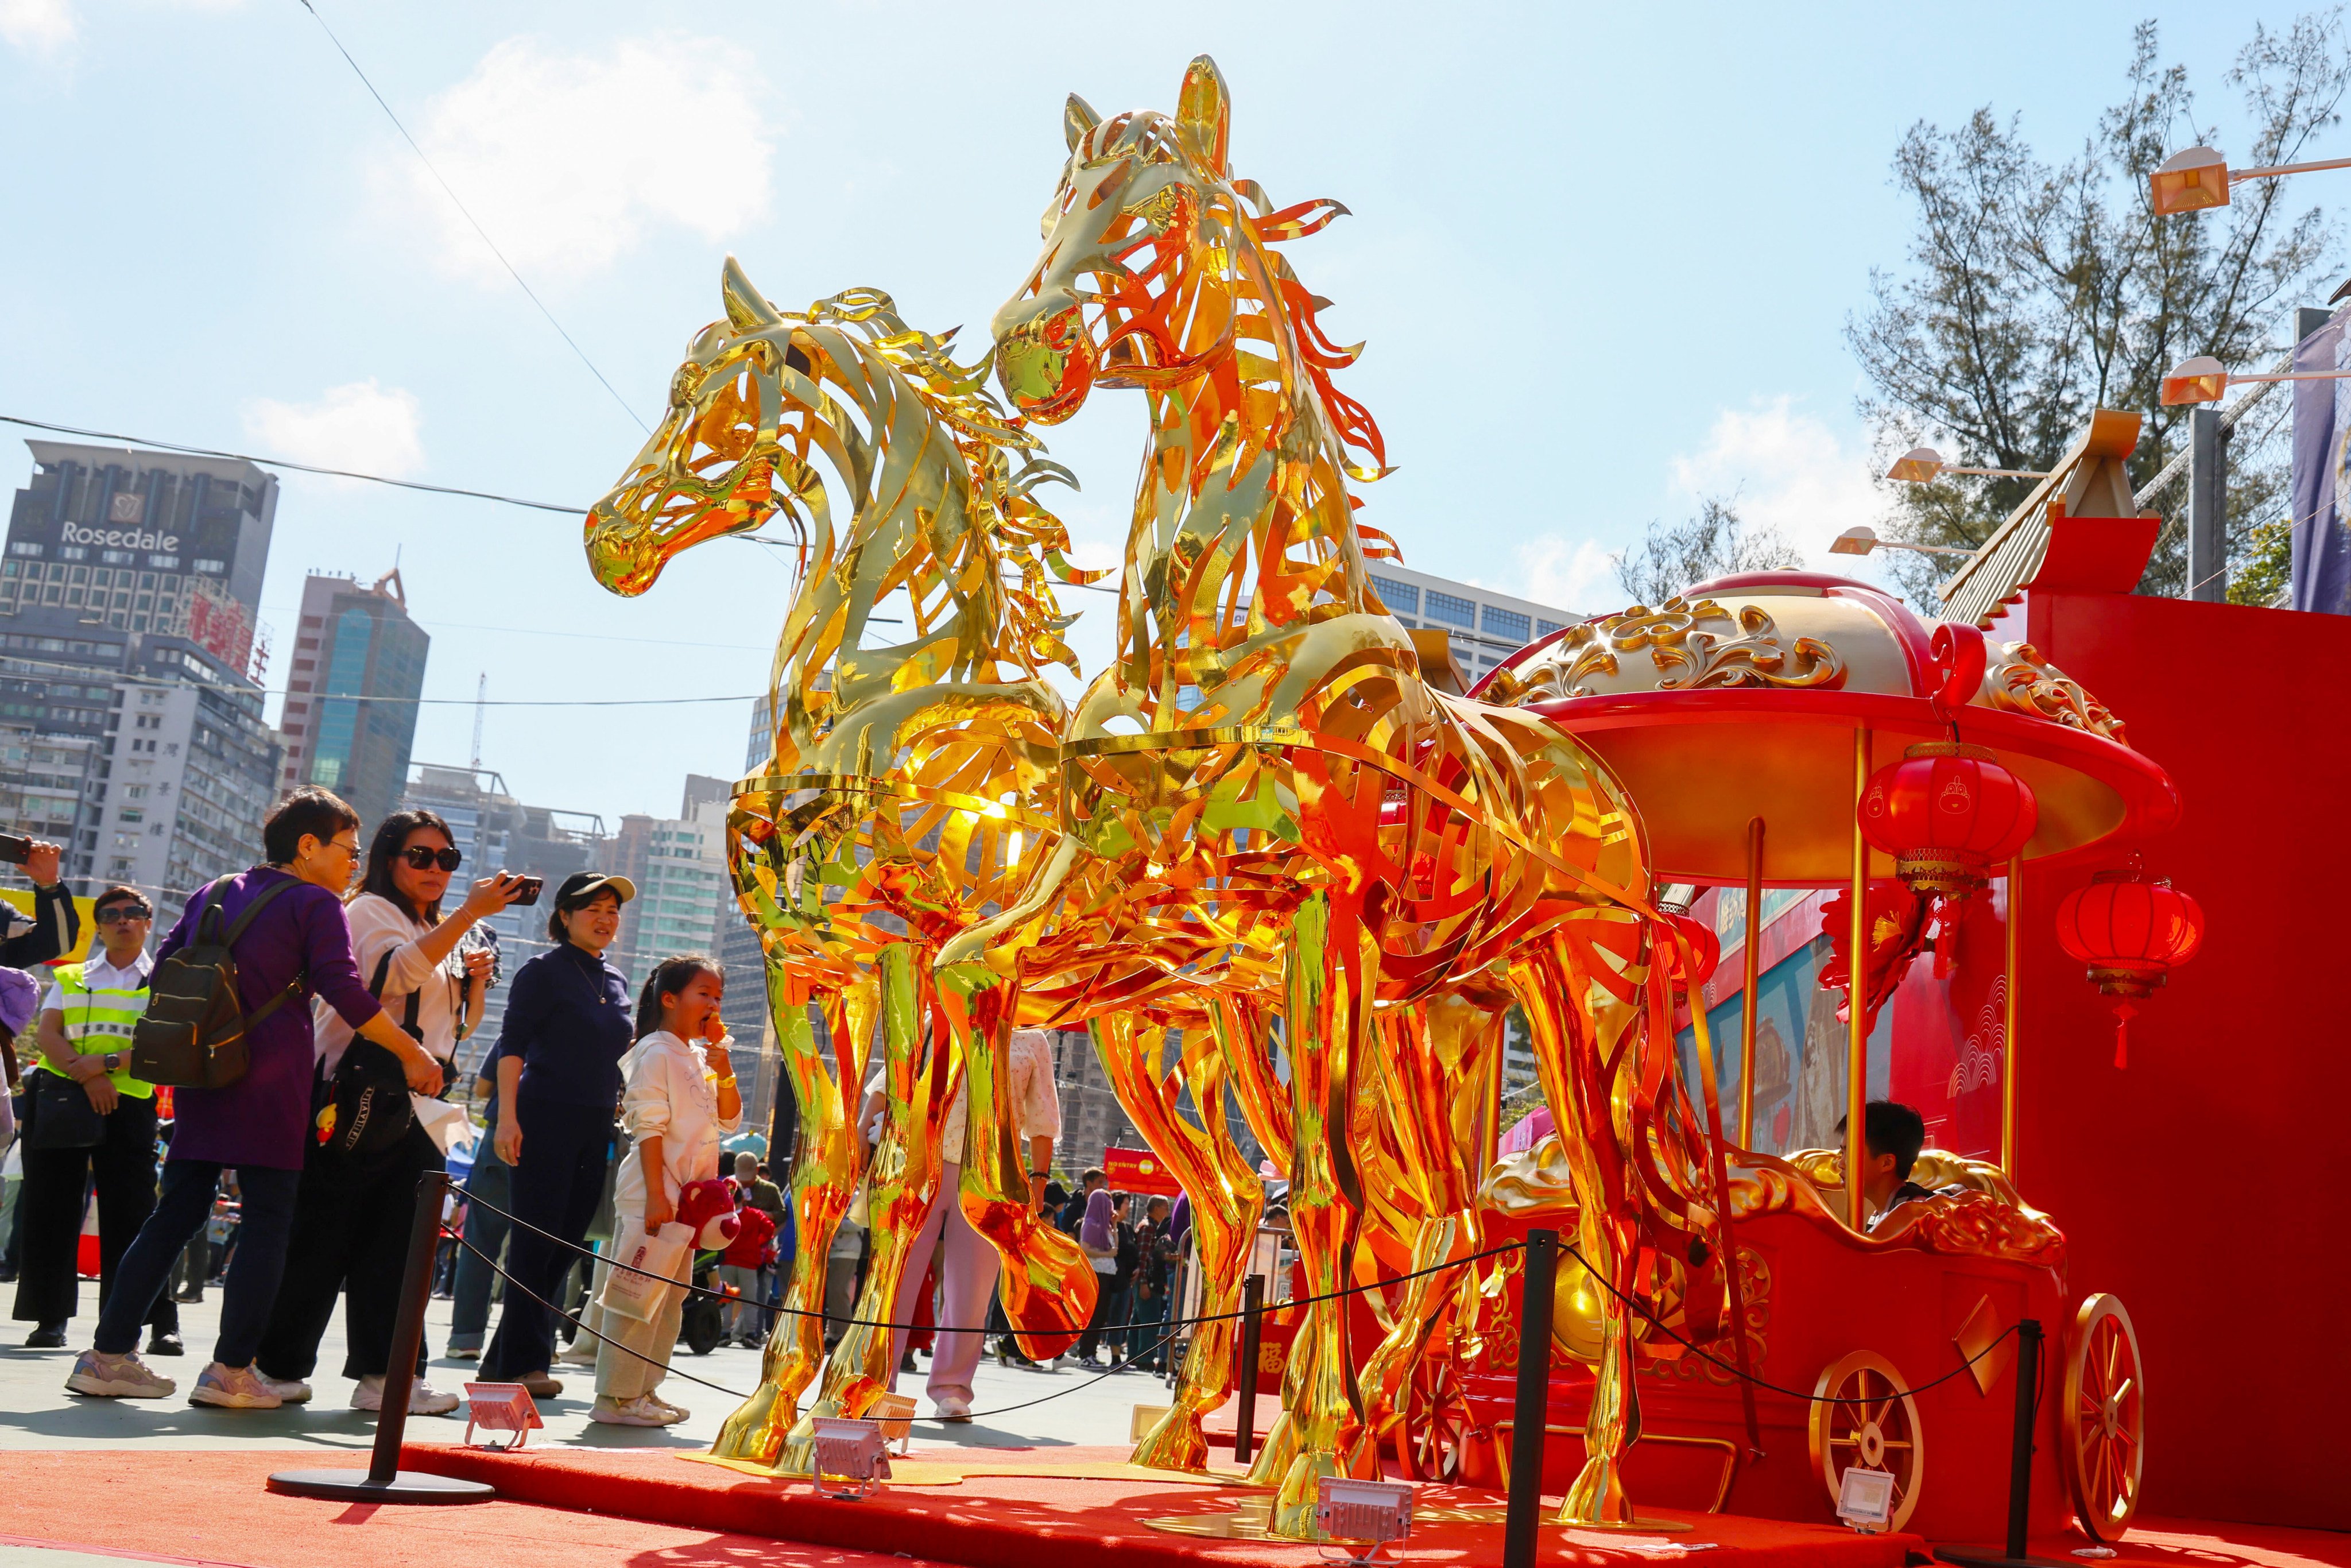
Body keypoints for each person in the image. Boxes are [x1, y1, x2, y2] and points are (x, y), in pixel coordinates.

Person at [66, 787, 441, 1408]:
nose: (353, 862)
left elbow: (164, 971)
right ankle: (232, 1369)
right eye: (347, 849)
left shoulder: (212, 891)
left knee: (175, 1213)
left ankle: (106, 1356)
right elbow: (345, 992)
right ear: (308, 846)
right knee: (269, 1219)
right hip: (271, 1077)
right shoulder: (316, 904)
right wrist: (410, 1051)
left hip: (203, 1069)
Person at [250, 810, 526, 1414]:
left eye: (446, 859)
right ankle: (277, 1366)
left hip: (421, 1103)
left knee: (401, 1244)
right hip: (356, 1092)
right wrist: (468, 917)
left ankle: (386, 1375)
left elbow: (457, 1029)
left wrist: (475, 982)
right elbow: (386, 978)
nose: (435, 870)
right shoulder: (367, 909)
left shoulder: (442, 928)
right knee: (324, 1233)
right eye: (420, 856)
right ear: (387, 859)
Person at [478, 871, 637, 1397]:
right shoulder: (542, 971)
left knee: (569, 1239)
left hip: (595, 1124)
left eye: (613, 910)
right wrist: (508, 1117)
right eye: (593, 908)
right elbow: (512, 1045)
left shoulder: (614, 979)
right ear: (565, 915)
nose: (605, 918)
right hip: (542, 1114)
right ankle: (525, 1362)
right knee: (535, 1237)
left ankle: (505, 1357)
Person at [11, 886, 180, 1353]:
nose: (121, 920)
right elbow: (47, 1033)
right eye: (111, 914)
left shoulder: (166, 980)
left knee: (137, 1216)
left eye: (132, 913)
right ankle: (49, 1319)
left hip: (127, 1101)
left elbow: (163, 1042)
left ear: (148, 921)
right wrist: (87, 1077)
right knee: (50, 1208)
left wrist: (103, 1067)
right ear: (100, 925)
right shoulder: (71, 975)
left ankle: (156, 1322)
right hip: (64, 1093)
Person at [868, 1025, 1060, 1421]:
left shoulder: (1031, 1038)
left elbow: (1042, 1116)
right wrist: (861, 1137)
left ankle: (953, 1389)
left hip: (991, 1176)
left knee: (971, 1292)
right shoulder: (936, 1012)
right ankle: (876, 1382)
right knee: (895, 1281)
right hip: (918, 1163)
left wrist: (1039, 1182)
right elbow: (890, 1080)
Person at [590, 955, 739, 1426]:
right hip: (655, 1194)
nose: (713, 1004)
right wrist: (657, 1195)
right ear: (670, 999)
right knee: (637, 1297)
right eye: (704, 994)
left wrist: (725, 1063)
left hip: (687, 1202)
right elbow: (647, 1127)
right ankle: (614, 1397)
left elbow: (730, 1118)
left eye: (718, 996)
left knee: (669, 1300)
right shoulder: (655, 1051)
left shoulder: (695, 1055)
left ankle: (645, 1390)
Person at [445, 1067, 511, 1360]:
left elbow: (483, 1089)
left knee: (480, 1243)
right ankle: (536, 1344)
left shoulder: (522, 1025)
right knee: (546, 1246)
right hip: (561, 1138)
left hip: (503, 1134)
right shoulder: (611, 1021)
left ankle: (465, 1338)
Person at [1839, 1100, 1938, 1231]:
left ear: (1887, 1163)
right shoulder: (1882, 1215)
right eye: (1842, 1152)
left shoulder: (1913, 1216)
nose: (1841, 1164)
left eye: (1850, 1153)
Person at [1126, 1194, 1175, 1373]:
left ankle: (1133, 1356)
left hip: (1147, 1280)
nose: (1168, 1211)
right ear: (1156, 1208)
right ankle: (1145, 1359)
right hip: (1147, 1281)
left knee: (1138, 1319)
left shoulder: (1153, 1226)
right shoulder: (1148, 1228)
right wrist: (1144, 1283)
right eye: (1165, 1207)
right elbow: (1143, 1257)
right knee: (1149, 1320)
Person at [1058, 1167, 1103, 1236]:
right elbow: (1068, 1231)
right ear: (1089, 1183)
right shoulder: (1073, 1205)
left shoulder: (1101, 1205)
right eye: (1100, 1182)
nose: (1102, 1186)